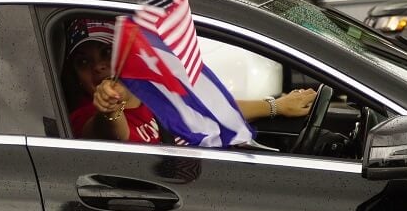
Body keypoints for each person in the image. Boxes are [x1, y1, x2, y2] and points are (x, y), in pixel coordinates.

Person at [63, 18, 317, 145]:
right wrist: (110, 108)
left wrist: (278, 106)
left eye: (106, 53)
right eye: (83, 62)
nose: (97, 66)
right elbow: (113, 132)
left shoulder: (157, 89)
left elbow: (212, 110)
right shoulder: (83, 117)